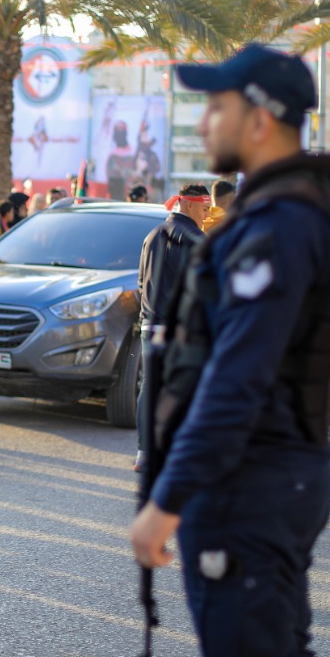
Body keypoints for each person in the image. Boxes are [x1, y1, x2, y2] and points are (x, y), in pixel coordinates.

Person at [130, 43, 330, 657]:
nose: (204, 122)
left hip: (249, 484)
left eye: (216, 106)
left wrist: (165, 503)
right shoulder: (292, 207)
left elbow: (236, 380)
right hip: (272, 476)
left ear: (259, 119)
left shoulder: (282, 222)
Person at [132, 184, 209, 471]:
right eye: (204, 209)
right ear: (189, 205)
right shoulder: (197, 239)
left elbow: (141, 283)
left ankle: (145, 453)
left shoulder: (152, 236)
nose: (206, 215)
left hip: (151, 325)